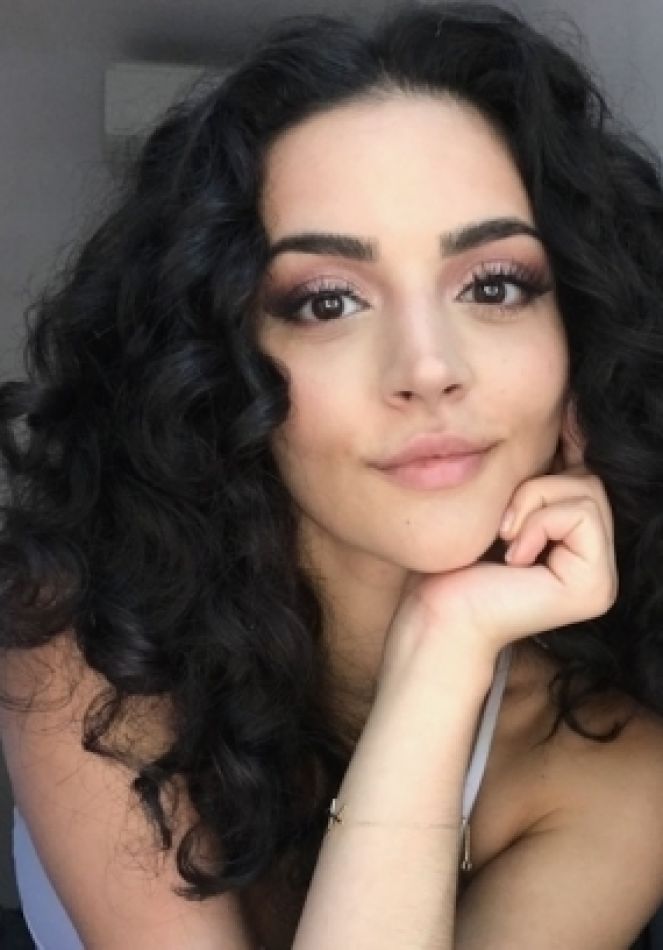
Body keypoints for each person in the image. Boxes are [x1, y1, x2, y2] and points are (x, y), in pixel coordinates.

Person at [1, 1, 663, 946]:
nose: (427, 367)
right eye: (326, 302)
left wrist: (443, 646)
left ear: (580, 342)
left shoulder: (617, 767)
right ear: (218, 363)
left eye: (493, 285)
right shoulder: (91, 638)